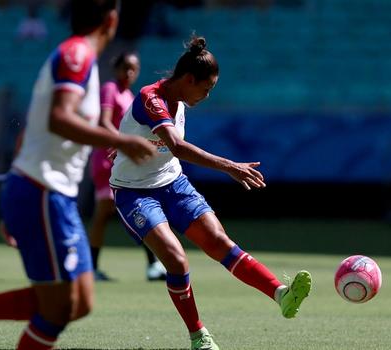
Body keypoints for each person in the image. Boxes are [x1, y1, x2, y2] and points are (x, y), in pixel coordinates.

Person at [0, 1, 156, 350]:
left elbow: (31, 130)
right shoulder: (76, 54)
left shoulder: (83, 61)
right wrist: (121, 141)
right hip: (41, 190)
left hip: (47, 193)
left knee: (79, 302)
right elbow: (58, 118)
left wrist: (12, 190)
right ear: (111, 19)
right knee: (60, 307)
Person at [109, 35, 312, 350]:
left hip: (172, 183)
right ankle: (198, 336)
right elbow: (175, 146)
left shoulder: (181, 99)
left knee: (219, 243)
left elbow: (158, 147)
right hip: (134, 193)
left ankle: (281, 294)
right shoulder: (153, 98)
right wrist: (229, 166)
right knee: (176, 261)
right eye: (206, 88)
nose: (207, 95)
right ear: (189, 79)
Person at [88, 51, 167, 281]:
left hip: (121, 159)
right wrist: (124, 144)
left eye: (134, 68)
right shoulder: (110, 89)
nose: (130, 73)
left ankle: (151, 265)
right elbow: (103, 122)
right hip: (107, 160)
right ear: (117, 69)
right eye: (126, 68)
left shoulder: (128, 94)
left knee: (131, 210)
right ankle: (90, 268)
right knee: (106, 213)